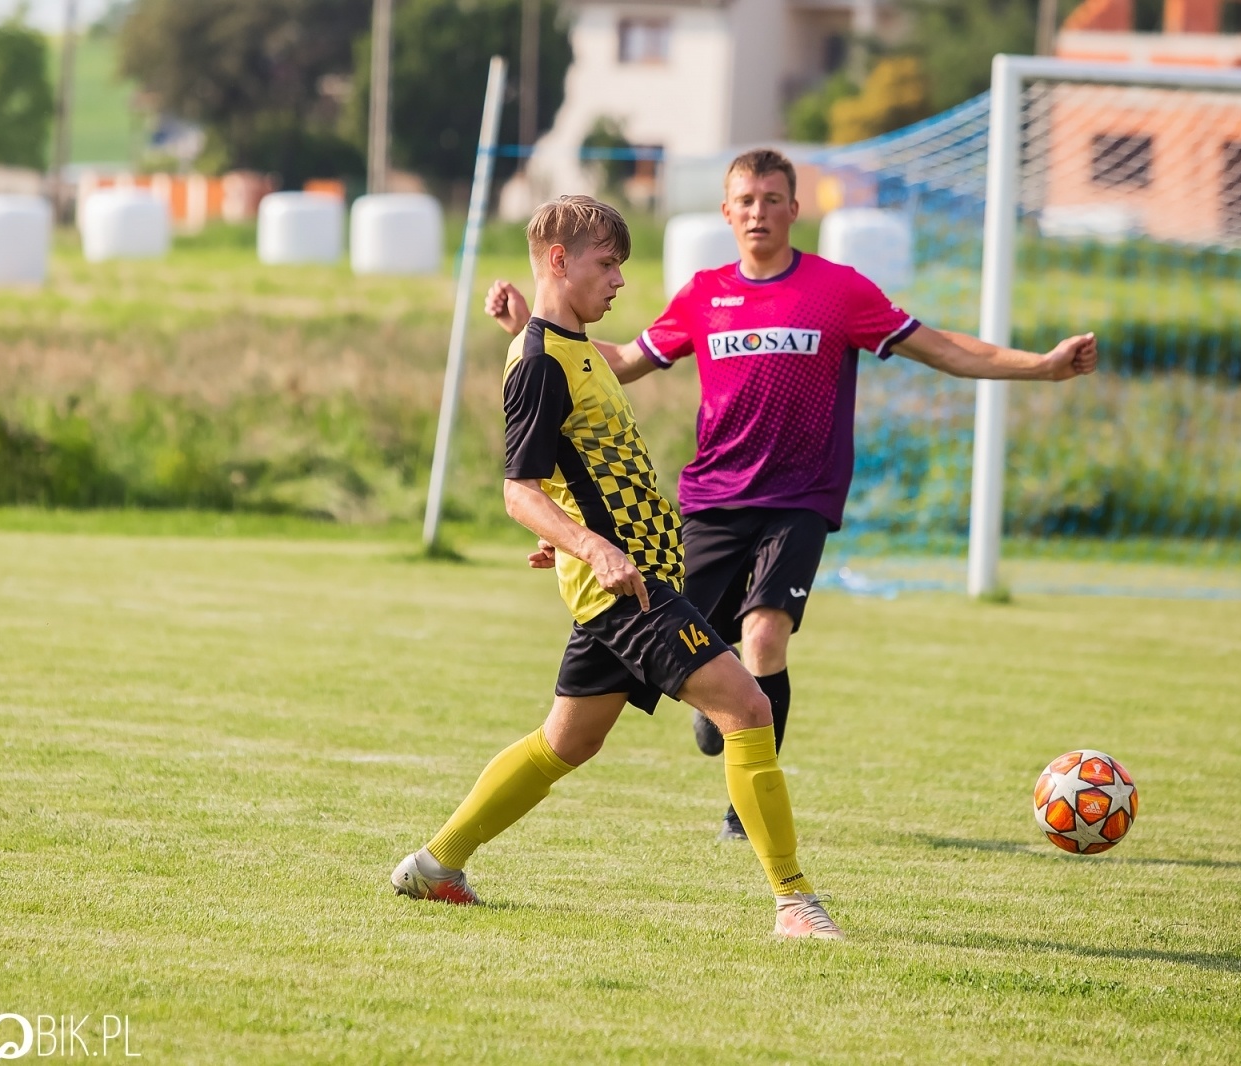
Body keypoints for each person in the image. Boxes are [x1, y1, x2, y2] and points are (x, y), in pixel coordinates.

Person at [486, 150, 1099, 841]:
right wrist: (527, 334)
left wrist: (1039, 368)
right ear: (727, 212)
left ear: (793, 210)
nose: (758, 212)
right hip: (711, 500)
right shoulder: (703, 294)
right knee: (640, 675)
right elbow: (608, 366)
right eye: (745, 200)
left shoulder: (838, 291)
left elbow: (942, 348)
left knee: (764, 634)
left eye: (772, 199)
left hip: (799, 499)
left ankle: (741, 815)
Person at [393, 195, 841, 939]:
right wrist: (591, 545)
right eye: (608, 264)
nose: (620, 282)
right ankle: (794, 902)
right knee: (749, 709)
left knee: (565, 742)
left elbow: (577, 473)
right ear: (560, 262)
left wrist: (568, 536)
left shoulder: (577, 353)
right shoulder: (538, 362)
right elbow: (518, 489)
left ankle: (436, 865)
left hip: (628, 581)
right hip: (629, 587)